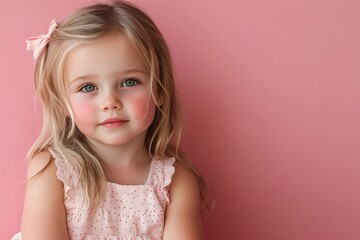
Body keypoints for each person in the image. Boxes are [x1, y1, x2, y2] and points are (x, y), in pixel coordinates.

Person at [12, 1, 211, 239]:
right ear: (62, 103)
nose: (110, 102)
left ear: (158, 89)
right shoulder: (52, 172)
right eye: (88, 87)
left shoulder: (176, 182)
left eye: (129, 82)